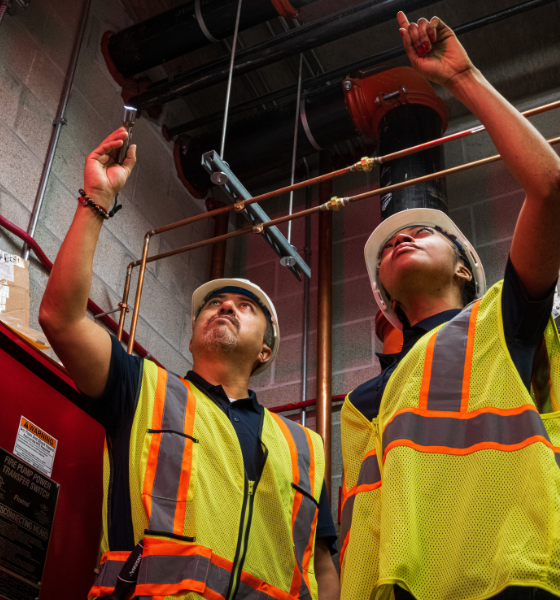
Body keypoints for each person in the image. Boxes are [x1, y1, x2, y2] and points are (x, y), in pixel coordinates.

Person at [337, 12, 560, 600]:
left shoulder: (503, 321)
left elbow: (550, 188)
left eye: (422, 232)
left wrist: (462, 78)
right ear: (387, 301)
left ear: (466, 266)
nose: (399, 236)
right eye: (388, 244)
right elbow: (363, 536)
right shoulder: (364, 404)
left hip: (524, 583)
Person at [38, 129, 341, 600]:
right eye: (214, 304)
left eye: (245, 307)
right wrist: (96, 199)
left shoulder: (305, 448)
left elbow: (322, 568)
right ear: (195, 329)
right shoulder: (141, 390)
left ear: (265, 351)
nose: (224, 307)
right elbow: (61, 318)